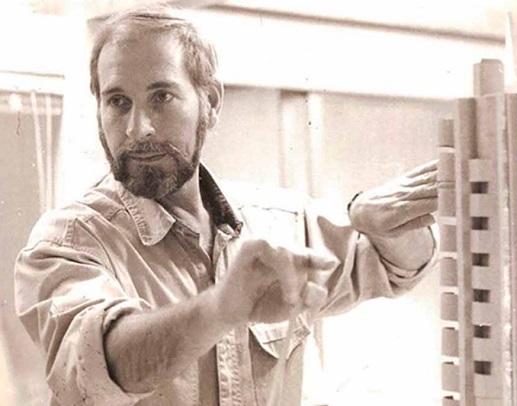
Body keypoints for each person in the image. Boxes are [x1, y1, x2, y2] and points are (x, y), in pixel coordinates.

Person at [14, 6, 438, 406]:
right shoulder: (69, 241)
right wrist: (220, 309)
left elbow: (393, 266)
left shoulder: (282, 225)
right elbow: (100, 364)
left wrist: (385, 226)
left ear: (211, 103)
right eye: (118, 101)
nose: (137, 129)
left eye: (161, 97)